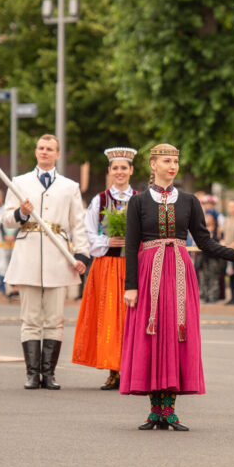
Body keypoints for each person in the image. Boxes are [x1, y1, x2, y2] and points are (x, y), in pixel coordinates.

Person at [121, 143, 234, 431]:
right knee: (151, 335)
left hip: (180, 271)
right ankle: (154, 409)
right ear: (153, 165)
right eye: (166, 161)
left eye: (175, 161)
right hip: (148, 271)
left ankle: (170, 409)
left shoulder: (189, 201)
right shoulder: (139, 202)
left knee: (177, 335)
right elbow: (131, 246)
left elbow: (204, 241)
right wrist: (131, 286)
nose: (172, 166)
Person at [2, 134, 89, 391]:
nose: (45, 152)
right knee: (29, 318)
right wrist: (21, 213)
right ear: (35, 151)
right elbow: (6, 219)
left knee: (54, 318)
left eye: (50, 149)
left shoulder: (69, 186)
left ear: (58, 154)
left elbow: (78, 225)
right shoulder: (19, 182)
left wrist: (82, 255)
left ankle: (48, 373)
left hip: (58, 254)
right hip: (28, 251)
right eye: (41, 148)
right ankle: (32, 373)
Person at [73, 147, 139, 391]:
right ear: (110, 171)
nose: (120, 172)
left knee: (131, 318)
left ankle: (131, 369)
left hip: (133, 265)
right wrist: (107, 241)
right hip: (108, 265)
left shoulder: (141, 198)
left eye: (124, 168)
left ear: (131, 171)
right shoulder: (99, 200)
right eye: (116, 168)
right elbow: (88, 233)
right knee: (110, 317)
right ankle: (113, 369)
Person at [194, 213, 225, 304]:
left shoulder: (217, 230)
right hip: (202, 257)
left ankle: (213, 296)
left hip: (213, 257)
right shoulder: (201, 229)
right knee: (203, 277)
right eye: (206, 217)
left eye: (209, 217)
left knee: (214, 277)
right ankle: (205, 296)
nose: (207, 219)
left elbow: (220, 241)